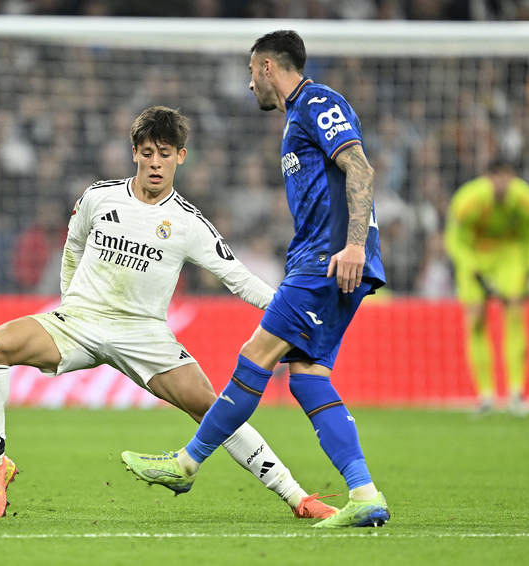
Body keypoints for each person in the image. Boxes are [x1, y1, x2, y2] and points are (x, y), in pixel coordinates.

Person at [0, 106, 337, 521]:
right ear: (135, 153)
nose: (155, 162)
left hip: (144, 335)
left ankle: (298, 498)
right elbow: (73, 246)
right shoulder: (99, 196)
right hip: (79, 322)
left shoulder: (188, 223)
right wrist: (69, 303)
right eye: (147, 152)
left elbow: (238, 277)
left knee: (215, 409)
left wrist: (290, 311)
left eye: (165, 153)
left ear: (181, 157)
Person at [121, 31, 390, 529]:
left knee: (254, 356)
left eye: (251, 73)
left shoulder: (317, 102)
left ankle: (186, 463)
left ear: (268, 67)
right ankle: (365, 493)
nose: (249, 85)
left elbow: (359, 166)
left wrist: (353, 245)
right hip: (327, 261)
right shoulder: (296, 119)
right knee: (308, 379)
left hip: (327, 262)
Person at [444, 159, 529, 416]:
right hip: (475, 255)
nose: (502, 183)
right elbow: (455, 240)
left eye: (506, 176)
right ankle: (486, 395)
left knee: (514, 312)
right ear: (486, 178)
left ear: (512, 177)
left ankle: (516, 393)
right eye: (496, 177)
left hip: (509, 255)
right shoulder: (468, 200)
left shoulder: (526, 199)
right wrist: (473, 269)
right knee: (476, 319)